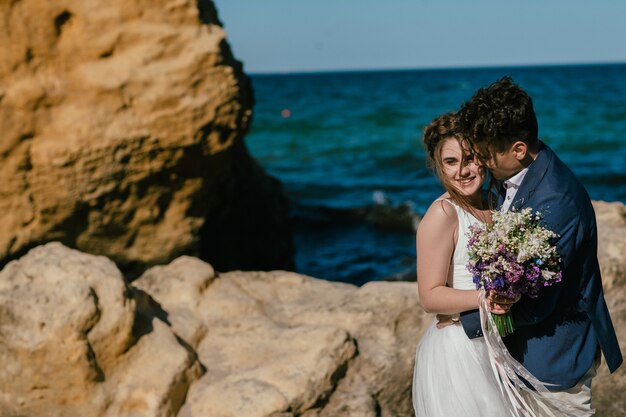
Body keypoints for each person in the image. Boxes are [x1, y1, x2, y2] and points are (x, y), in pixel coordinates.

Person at [457, 76, 623, 415]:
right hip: (524, 355)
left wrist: (465, 326)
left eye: (487, 155)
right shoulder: (517, 169)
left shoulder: (556, 201)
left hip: (553, 359)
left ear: (519, 149)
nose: (481, 163)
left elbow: (538, 298)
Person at [411, 113, 515, 416]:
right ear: (439, 166)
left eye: (469, 159)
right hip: (460, 352)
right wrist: (485, 298)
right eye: (451, 162)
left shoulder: (495, 205)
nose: (463, 171)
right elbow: (429, 296)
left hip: (498, 343)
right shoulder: (442, 214)